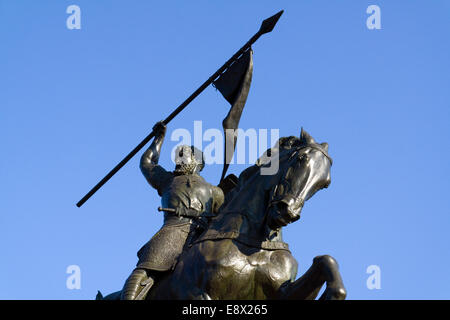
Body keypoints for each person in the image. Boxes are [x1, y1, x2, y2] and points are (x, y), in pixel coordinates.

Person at [120, 121, 224, 300]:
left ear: (197, 162)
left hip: (201, 236)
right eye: (178, 156)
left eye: (184, 156)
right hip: (171, 232)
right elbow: (147, 163)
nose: (179, 160)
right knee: (141, 273)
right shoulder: (167, 179)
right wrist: (158, 139)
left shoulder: (215, 192)